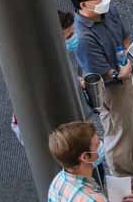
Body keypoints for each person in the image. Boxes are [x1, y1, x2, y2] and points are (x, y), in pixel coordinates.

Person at [68, 0, 133, 178]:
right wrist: (121, 73)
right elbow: (105, 74)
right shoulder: (83, 37)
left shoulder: (108, 10)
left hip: (128, 79)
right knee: (118, 137)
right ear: (83, 4)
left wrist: (128, 59)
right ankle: (125, 181)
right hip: (112, 91)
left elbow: (125, 37)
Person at [11, 11, 87, 146]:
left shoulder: (51, 54)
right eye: (68, 36)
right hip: (39, 126)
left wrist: (75, 80)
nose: (73, 38)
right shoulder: (35, 67)